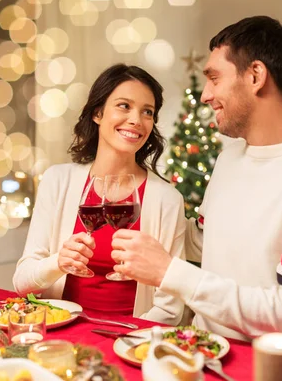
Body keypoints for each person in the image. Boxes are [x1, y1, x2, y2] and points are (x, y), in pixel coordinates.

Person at [110, 16, 282, 361]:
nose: (205, 95)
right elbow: (205, 241)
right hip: (206, 356)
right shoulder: (231, 155)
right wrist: (145, 216)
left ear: (255, 76)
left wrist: (169, 272)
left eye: (214, 78)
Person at [13, 64, 186, 325]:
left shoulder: (167, 200)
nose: (136, 120)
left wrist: (123, 338)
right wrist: (58, 262)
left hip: (129, 340)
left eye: (147, 112)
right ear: (97, 113)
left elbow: (170, 309)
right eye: (124, 106)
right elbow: (22, 283)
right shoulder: (57, 180)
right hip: (62, 331)